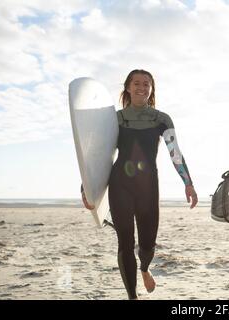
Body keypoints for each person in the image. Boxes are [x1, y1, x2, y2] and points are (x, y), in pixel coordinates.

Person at [82, 69, 198, 300]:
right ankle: (132, 296)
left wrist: (188, 183)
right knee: (125, 242)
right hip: (120, 184)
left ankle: (145, 268)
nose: (141, 87)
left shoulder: (161, 119)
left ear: (151, 89)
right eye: (136, 83)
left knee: (147, 243)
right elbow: (98, 155)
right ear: (127, 87)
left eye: (147, 84)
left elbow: (175, 153)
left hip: (148, 186)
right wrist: (86, 187)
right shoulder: (115, 119)